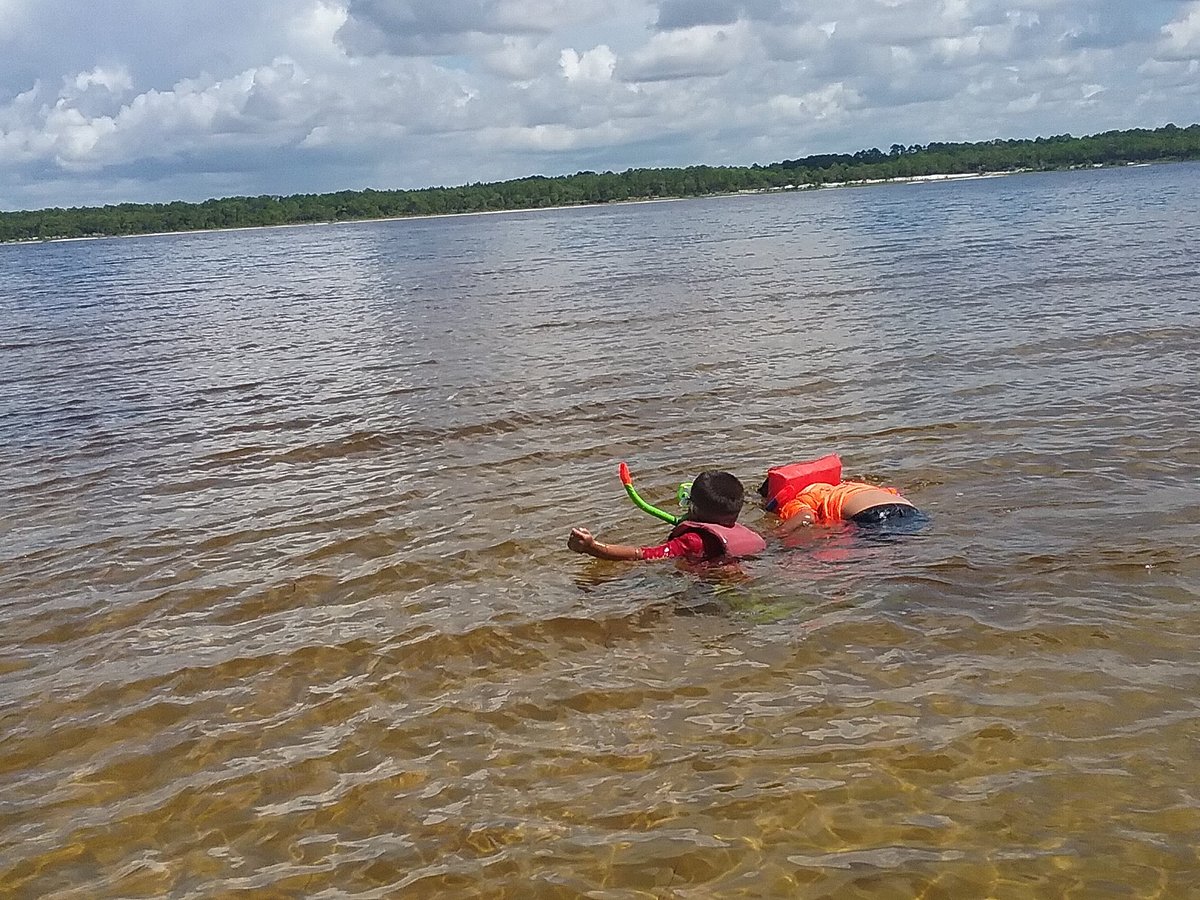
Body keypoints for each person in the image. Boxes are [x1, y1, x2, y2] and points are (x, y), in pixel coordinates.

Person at [568, 471, 767, 562]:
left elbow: (642, 554)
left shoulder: (692, 541)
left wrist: (592, 547)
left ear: (694, 509)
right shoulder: (743, 532)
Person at [759, 476, 924, 529]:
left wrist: (775, 536)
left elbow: (806, 516)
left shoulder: (802, 497)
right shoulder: (849, 486)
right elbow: (895, 492)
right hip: (910, 509)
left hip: (870, 515)